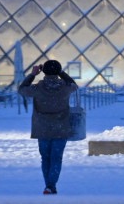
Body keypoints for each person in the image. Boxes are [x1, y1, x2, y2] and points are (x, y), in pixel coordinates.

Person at [18, 59, 78, 195]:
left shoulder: (37, 88)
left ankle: (48, 186)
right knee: (56, 158)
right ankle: (51, 185)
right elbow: (74, 85)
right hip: (61, 128)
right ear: (58, 71)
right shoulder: (65, 88)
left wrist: (32, 74)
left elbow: (22, 90)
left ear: (43, 71)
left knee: (45, 158)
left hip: (42, 128)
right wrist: (61, 73)